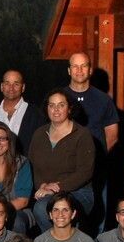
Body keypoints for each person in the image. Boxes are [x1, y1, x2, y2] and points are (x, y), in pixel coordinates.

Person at [29, 88, 95, 233]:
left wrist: (56, 187)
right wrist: (43, 186)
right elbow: (34, 167)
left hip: (78, 192)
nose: (56, 109)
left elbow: (85, 172)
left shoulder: (82, 134)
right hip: (47, 192)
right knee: (41, 208)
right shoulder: (39, 134)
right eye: (51, 105)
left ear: (69, 108)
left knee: (49, 208)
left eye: (61, 105)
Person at [0, 70, 45, 155]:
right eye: (7, 83)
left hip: (24, 166)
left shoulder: (36, 114)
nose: (11, 88)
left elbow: (40, 146)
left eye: (16, 84)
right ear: (2, 87)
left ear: (23, 87)